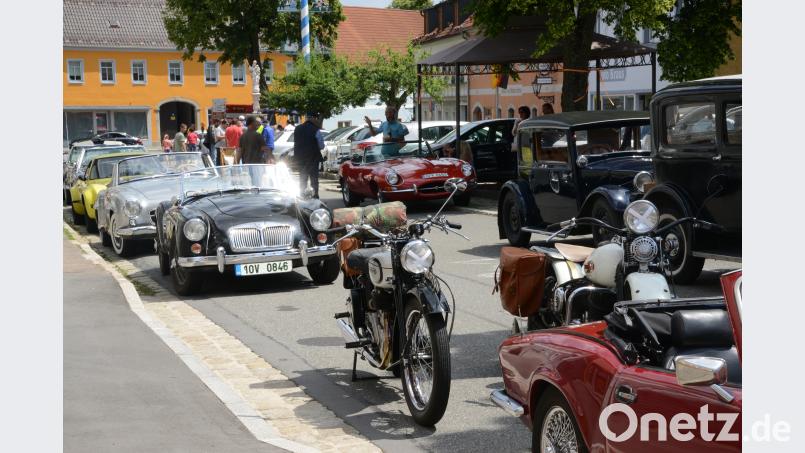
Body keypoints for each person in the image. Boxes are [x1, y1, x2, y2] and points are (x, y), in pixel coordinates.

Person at [294, 112, 325, 198]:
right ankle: (315, 196)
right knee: (314, 178)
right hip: (313, 158)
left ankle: (302, 195)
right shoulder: (315, 130)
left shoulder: (297, 128)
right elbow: (321, 146)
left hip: (300, 158)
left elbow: (296, 143)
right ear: (313, 118)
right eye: (317, 119)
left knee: (302, 177)